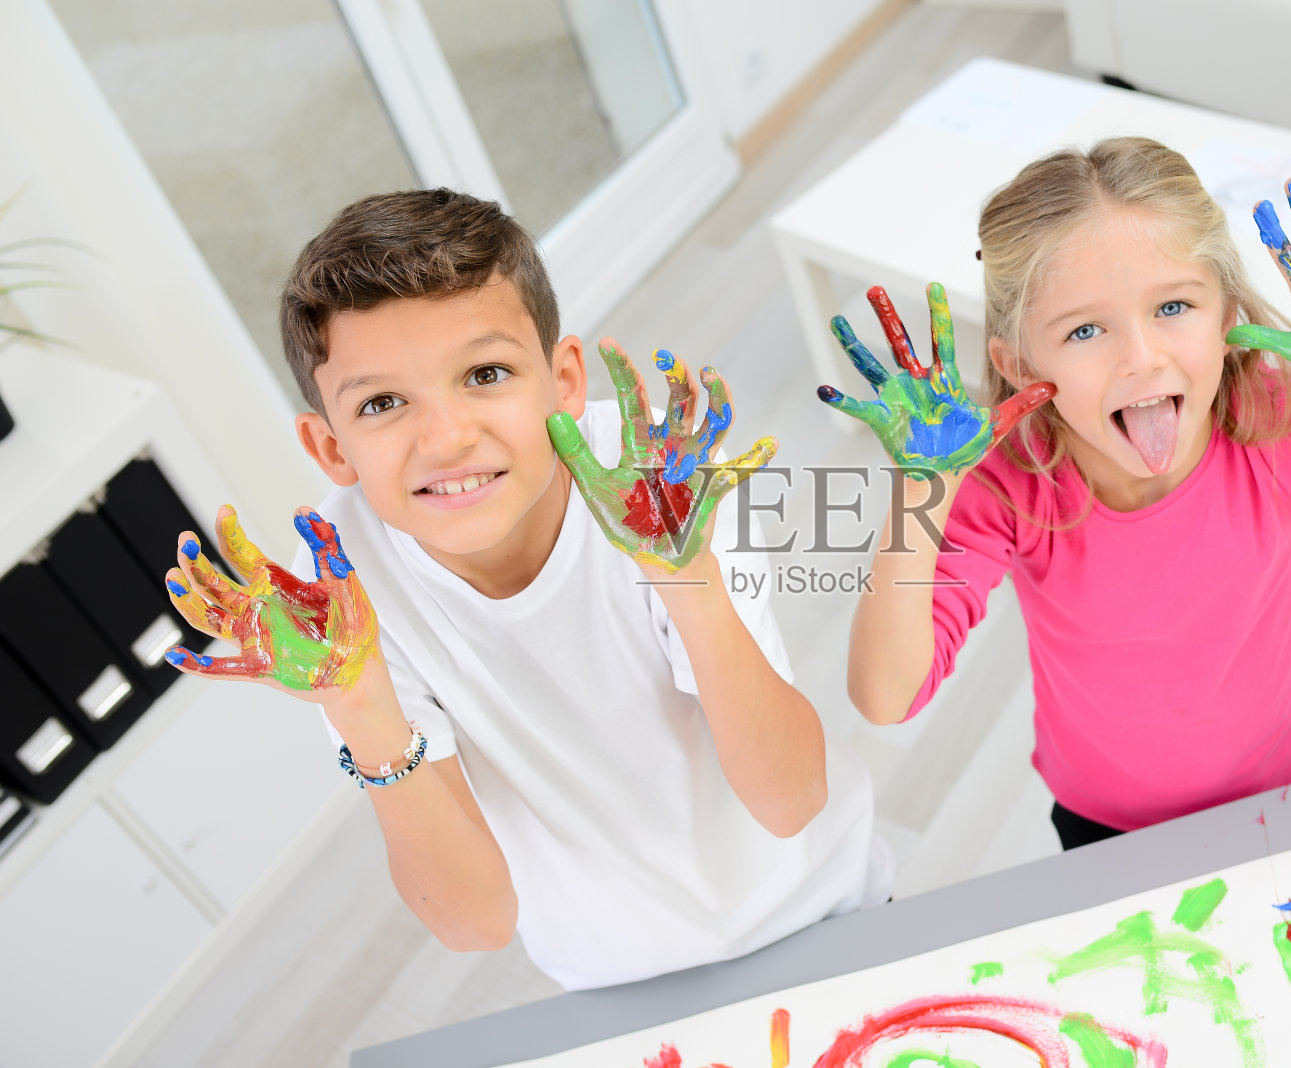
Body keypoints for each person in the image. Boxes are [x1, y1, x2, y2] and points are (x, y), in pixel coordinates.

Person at [160, 188, 890, 989]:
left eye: (485, 373)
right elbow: (474, 923)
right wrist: (360, 708)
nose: (446, 438)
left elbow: (791, 800)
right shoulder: (341, 596)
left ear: (564, 379)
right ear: (331, 448)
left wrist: (686, 578)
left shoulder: (658, 483)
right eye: (382, 403)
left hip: (823, 906)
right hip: (611, 978)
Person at [820, 137, 1291, 851]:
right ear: (1022, 365)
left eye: (1172, 307)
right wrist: (921, 493)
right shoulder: (1009, 483)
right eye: (1085, 331)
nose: (1142, 358)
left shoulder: (1279, 416)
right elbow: (886, 697)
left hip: (1278, 788)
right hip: (1100, 820)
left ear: (1227, 314)